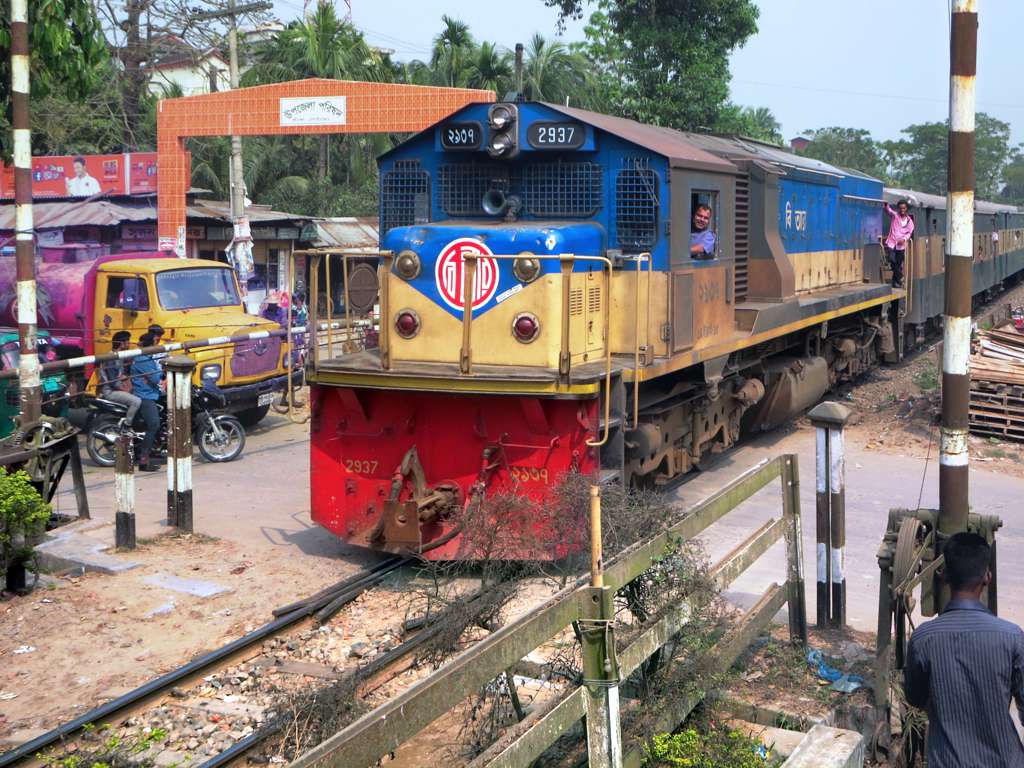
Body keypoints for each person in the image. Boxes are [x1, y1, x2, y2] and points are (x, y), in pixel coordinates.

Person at [904, 532, 1024, 767]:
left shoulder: (923, 639)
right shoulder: (1012, 637)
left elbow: (915, 698)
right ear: (987, 577)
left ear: (945, 575)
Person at [129, 332, 164, 472]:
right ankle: (144, 459)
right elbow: (156, 379)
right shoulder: (143, 360)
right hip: (145, 396)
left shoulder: (146, 359)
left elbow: (156, 376)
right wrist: (160, 374)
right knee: (154, 424)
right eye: (155, 343)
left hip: (151, 393)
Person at [98, 331, 141, 427]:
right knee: (136, 401)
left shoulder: (119, 356)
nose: (129, 344)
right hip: (110, 391)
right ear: (122, 343)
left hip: (116, 389)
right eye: (128, 341)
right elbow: (113, 383)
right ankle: (127, 425)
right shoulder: (111, 358)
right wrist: (128, 390)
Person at [883, 199, 914, 288]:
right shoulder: (895, 216)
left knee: (898, 264)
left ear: (906, 209)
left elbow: (909, 233)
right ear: (898, 209)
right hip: (892, 243)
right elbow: (889, 211)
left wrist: (904, 239)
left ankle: (895, 282)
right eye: (900, 208)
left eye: (904, 208)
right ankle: (900, 278)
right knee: (892, 261)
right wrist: (886, 204)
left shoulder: (909, 221)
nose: (902, 210)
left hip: (901, 246)